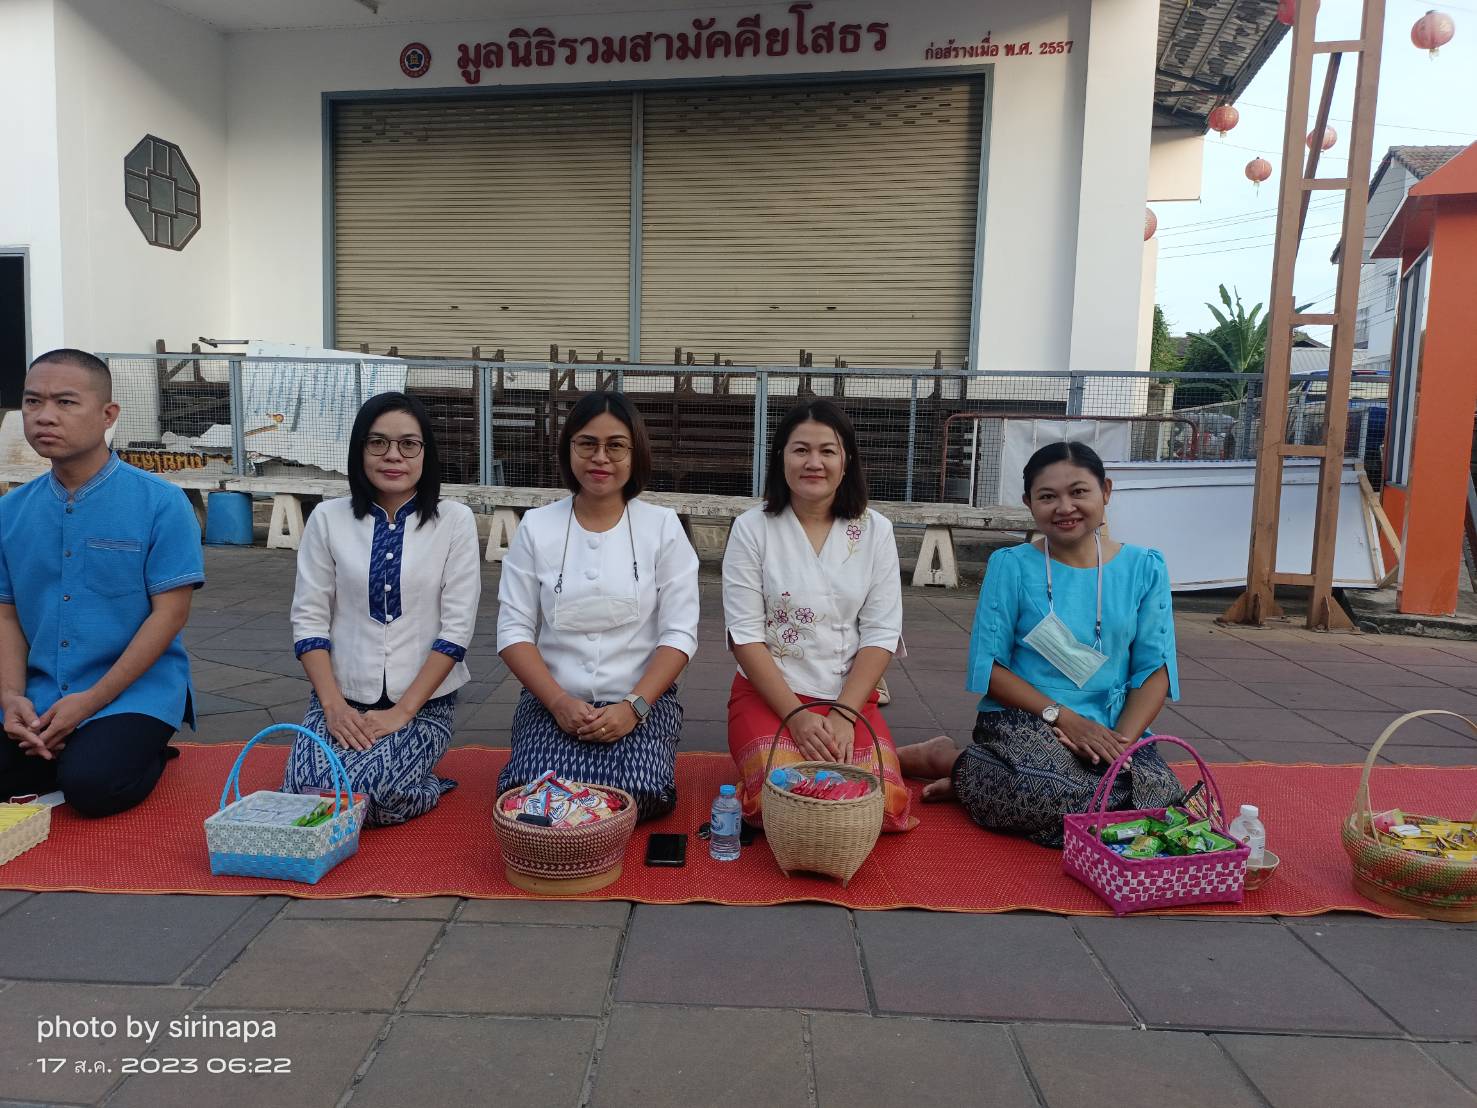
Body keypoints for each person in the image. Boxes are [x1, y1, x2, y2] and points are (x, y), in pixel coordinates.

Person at [898, 440, 1183, 847]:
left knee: (1162, 799)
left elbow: (1154, 671)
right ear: (1029, 503)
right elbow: (989, 670)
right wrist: (1064, 719)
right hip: (1029, 718)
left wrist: (1117, 746)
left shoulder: (1146, 567)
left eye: (1079, 491)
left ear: (1105, 491)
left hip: (1113, 727)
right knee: (1052, 791)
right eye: (1048, 497)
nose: (1065, 507)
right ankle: (951, 760)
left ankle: (976, 778)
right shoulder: (1011, 566)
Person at [0, 349, 203, 815]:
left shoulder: (161, 503)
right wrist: (12, 698)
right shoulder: (10, 512)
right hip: (40, 690)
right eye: (32, 402)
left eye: (66, 402)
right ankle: (61, 749)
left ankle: (144, 749)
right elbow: (6, 613)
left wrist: (89, 702)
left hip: (131, 693)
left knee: (93, 788)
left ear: (108, 414)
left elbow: (170, 615)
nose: (44, 416)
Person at [496, 392, 698, 821]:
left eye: (616, 446)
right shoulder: (537, 527)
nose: (600, 458)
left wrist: (633, 707)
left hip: (641, 701)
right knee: (530, 791)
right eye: (587, 444)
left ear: (635, 453)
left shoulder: (662, 528)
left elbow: (680, 634)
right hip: (553, 701)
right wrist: (558, 702)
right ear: (568, 448)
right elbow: (513, 631)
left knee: (641, 793)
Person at [284, 392, 480, 826]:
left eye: (409, 444)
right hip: (342, 697)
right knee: (306, 792)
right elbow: (309, 618)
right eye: (378, 443)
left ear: (426, 452)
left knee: (374, 792)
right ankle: (375, 761)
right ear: (360, 450)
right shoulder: (327, 518)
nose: (393, 455)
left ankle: (427, 783)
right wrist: (333, 707)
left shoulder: (454, 521)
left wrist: (400, 714)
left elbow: (457, 629)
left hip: (423, 704)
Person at [723, 399, 915, 833]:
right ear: (781, 458)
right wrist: (796, 717)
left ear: (846, 461)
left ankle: (908, 756)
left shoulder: (875, 531)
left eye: (827, 451)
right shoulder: (752, 528)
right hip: (771, 697)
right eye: (801, 450)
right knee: (785, 801)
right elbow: (745, 636)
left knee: (881, 806)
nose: (814, 463)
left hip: (849, 699)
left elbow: (882, 632)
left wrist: (844, 715)